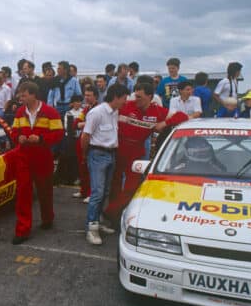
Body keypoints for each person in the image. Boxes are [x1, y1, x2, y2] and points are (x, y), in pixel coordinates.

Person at [104, 77, 188, 225]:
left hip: (137, 150)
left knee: (132, 186)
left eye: (139, 97)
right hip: (118, 148)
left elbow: (183, 116)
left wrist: (165, 123)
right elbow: (103, 111)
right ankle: (115, 217)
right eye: (134, 96)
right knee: (114, 184)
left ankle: (110, 212)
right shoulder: (126, 105)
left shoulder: (157, 110)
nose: (135, 99)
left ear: (150, 97)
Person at [10, 82, 64, 244]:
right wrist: (17, 137)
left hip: (43, 157)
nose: (20, 97)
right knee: (23, 193)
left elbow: (59, 134)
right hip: (23, 157)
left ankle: (47, 219)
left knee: (45, 191)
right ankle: (22, 230)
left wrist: (41, 139)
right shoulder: (20, 112)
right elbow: (14, 132)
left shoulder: (50, 112)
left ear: (33, 95)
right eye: (20, 94)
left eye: (24, 95)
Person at [82, 83, 129, 245]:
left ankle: (98, 222)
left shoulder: (115, 112)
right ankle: (91, 228)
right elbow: (85, 136)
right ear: (115, 97)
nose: (125, 102)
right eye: (123, 98)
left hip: (111, 155)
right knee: (97, 192)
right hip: (97, 154)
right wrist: (86, 155)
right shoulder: (97, 113)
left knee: (105, 192)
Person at [73, 86, 99, 202]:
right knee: (82, 167)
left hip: (93, 141)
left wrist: (83, 124)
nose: (86, 97)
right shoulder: (86, 108)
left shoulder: (99, 109)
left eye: (89, 95)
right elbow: (75, 123)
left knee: (91, 169)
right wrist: (84, 123)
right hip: (83, 139)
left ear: (95, 96)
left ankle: (90, 193)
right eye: (86, 95)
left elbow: (94, 124)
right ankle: (83, 191)